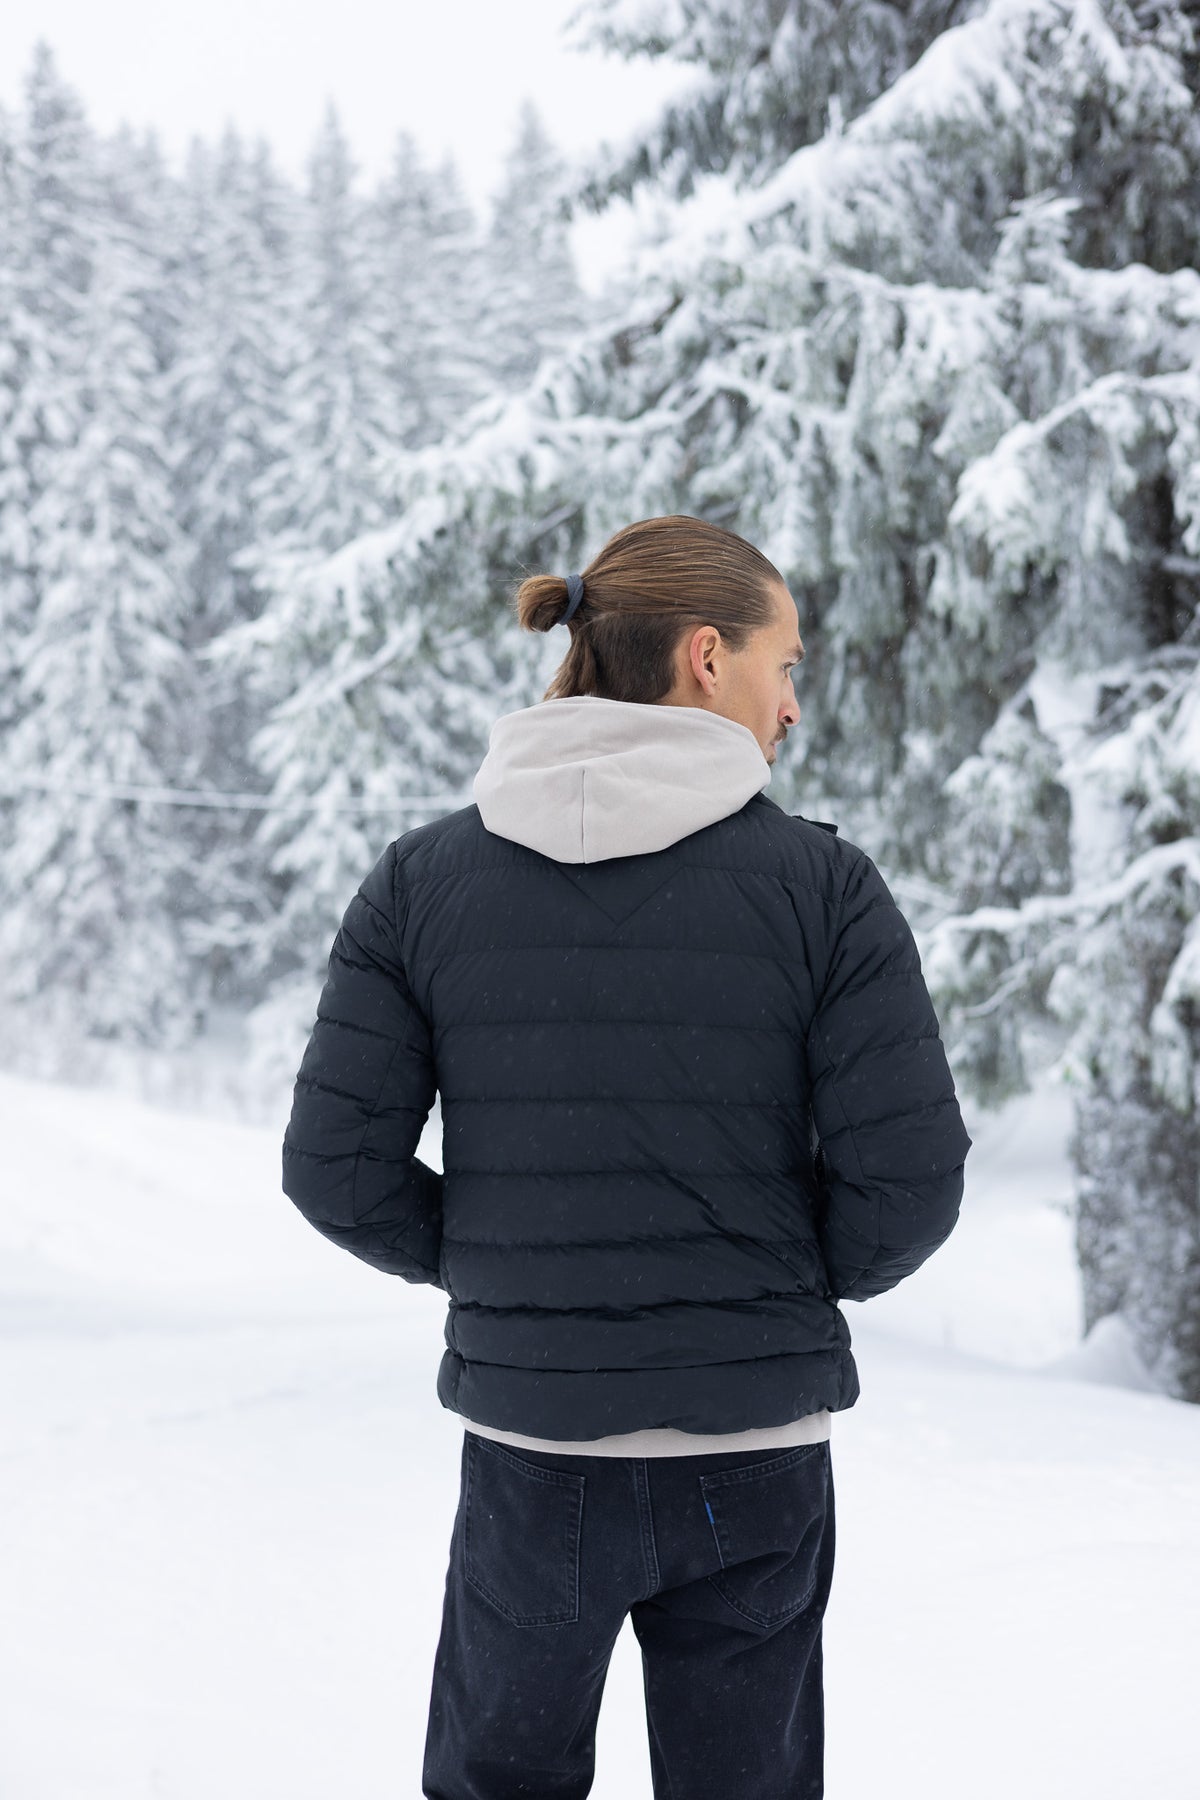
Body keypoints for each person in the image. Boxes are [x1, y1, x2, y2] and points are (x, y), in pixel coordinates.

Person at [281, 514, 971, 1800]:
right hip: (753, 1460)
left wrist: (509, 1275)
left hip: (533, 1458)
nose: (793, 704)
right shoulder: (823, 891)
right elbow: (910, 1188)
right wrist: (764, 1291)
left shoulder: (420, 884)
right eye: (786, 664)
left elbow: (335, 1170)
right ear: (708, 657)